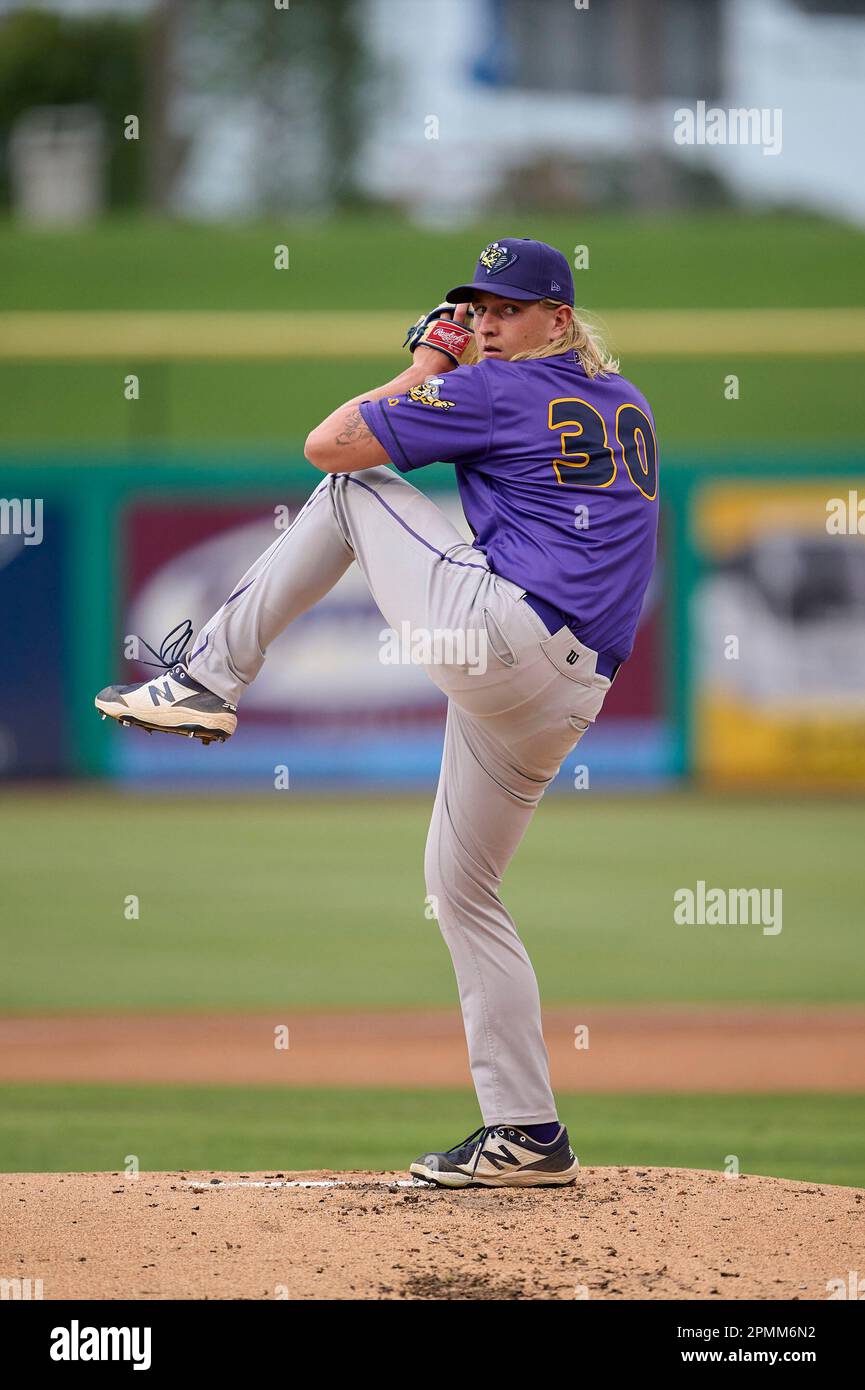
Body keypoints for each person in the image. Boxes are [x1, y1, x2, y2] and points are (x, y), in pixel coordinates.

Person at [95, 237, 659, 1189]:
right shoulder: (628, 401)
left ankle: (209, 678)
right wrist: (462, 371)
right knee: (463, 889)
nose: (486, 321)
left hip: (506, 637)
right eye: (476, 308)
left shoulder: (495, 388)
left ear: (559, 319)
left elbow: (329, 442)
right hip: (570, 690)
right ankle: (527, 1132)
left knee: (351, 486)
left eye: (508, 309)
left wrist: (430, 362)